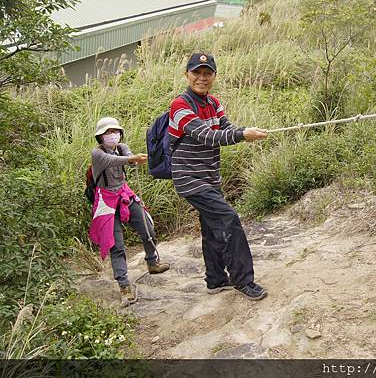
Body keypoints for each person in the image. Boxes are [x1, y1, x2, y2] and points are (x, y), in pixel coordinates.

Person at [168, 53, 269, 300]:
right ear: (187, 75)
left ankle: (215, 279)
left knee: (212, 228)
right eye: (196, 73)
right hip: (190, 180)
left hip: (209, 178)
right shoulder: (180, 106)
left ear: (213, 76)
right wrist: (244, 135)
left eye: (207, 73)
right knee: (229, 220)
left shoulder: (213, 103)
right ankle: (244, 280)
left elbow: (226, 129)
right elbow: (209, 136)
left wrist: (246, 131)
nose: (202, 78)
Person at [88, 117, 170, 302]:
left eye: (115, 131)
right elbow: (113, 161)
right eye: (107, 133)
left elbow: (130, 160)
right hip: (106, 200)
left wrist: (137, 159)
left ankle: (152, 262)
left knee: (147, 226)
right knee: (116, 244)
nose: (112, 135)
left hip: (123, 194)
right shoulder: (97, 153)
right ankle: (124, 285)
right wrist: (132, 159)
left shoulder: (122, 147)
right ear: (100, 136)